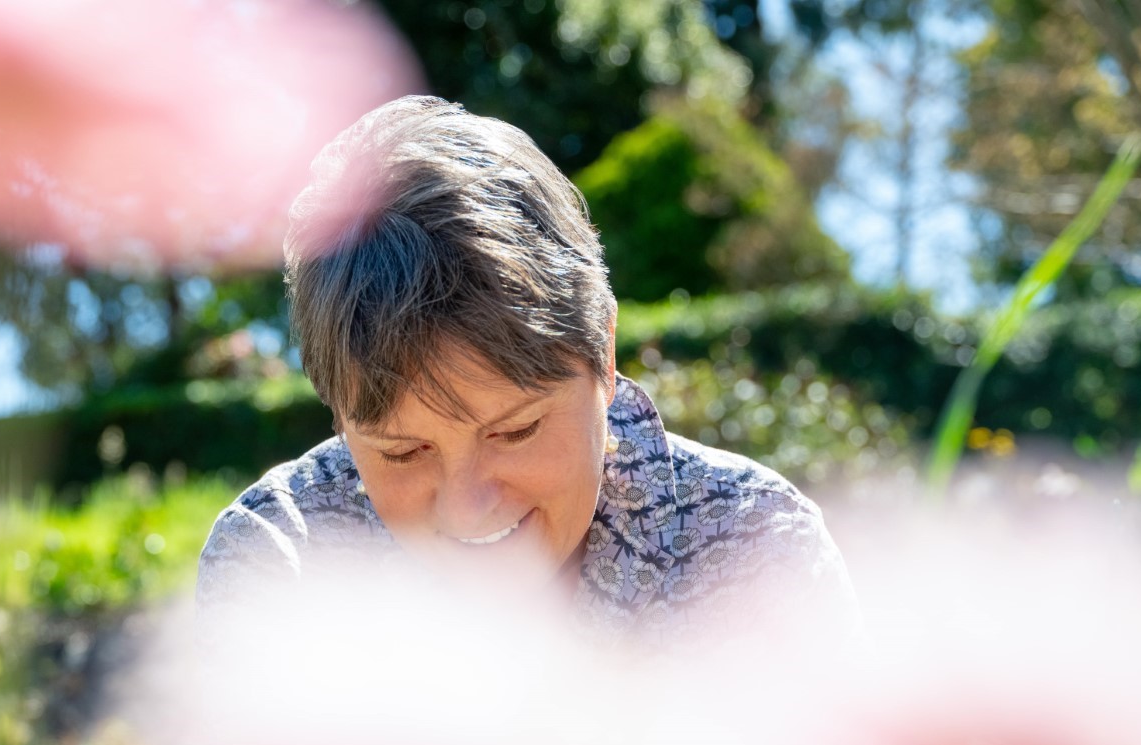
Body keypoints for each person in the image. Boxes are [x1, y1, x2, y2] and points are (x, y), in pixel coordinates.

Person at [196, 95, 859, 646]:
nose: (467, 505)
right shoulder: (281, 564)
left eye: (514, 432)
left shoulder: (754, 547)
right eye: (404, 451)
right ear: (336, 414)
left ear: (603, 352)